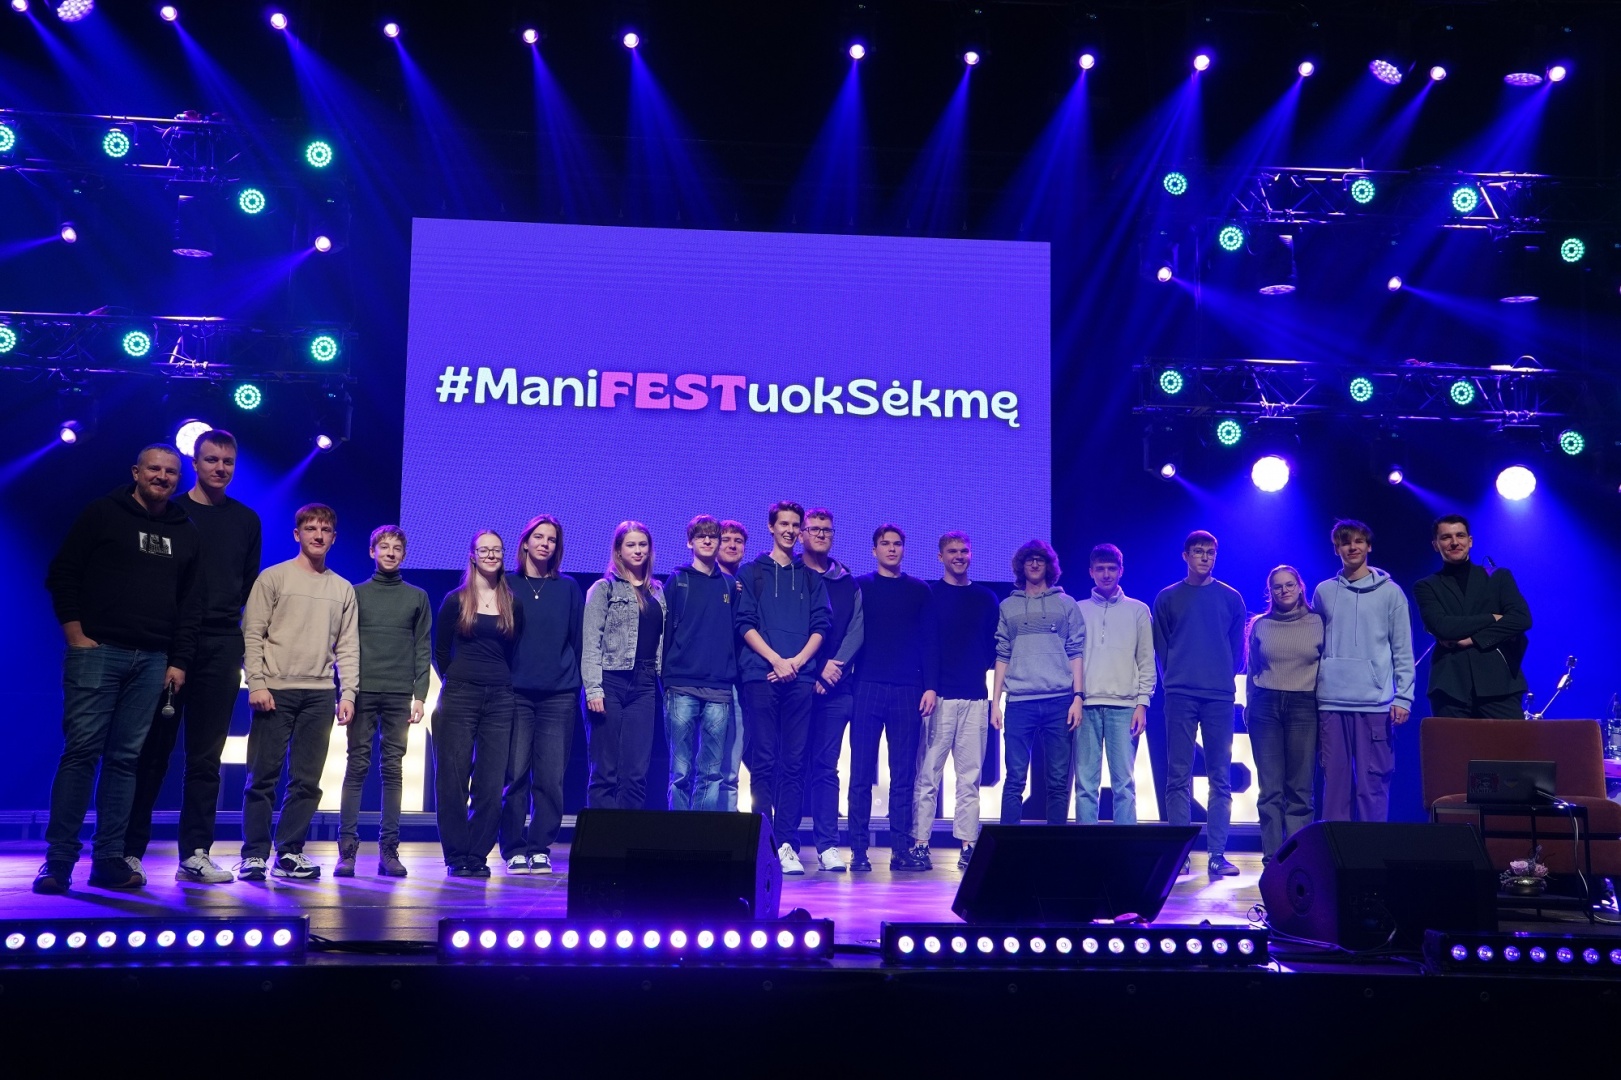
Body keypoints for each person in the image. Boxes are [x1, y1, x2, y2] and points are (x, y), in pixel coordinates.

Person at [36, 443, 202, 893]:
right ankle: (58, 861)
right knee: (81, 753)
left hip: (153, 660)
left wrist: (178, 660)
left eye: (171, 472)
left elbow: (191, 603)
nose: (162, 477)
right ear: (136, 471)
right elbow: (62, 573)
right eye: (154, 469)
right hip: (98, 651)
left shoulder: (185, 530)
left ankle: (108, 858)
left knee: (126, 760)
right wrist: (76, 635)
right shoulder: (102, 513)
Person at [126, 430, 260, 886]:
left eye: (227, 461)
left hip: (222, 645)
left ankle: (195, 853)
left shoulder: (246, 520)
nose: (220, 468)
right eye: (211, 459)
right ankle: (129, 851)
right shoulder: (173, 513)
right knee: (152, 752)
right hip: (168, 644)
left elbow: (248, 588)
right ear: (195, 463)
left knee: (206, 758)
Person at [239, 503, 359, 881]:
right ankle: (254, 855)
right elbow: (252, 633)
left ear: (334, 538)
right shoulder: (273, 578)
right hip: (276, 690)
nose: (318, 535)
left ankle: (289, 852)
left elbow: (348, 646)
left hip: (319, 694)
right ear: (297, 534)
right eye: (310, 528)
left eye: (325, 530)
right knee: (263, 777)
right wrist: (257, 682)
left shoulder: (342, 588)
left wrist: (348, 693)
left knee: (307, 781)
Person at [736, 501, 830, 875]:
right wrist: (776, 660)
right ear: (771, 527)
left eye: (795, 525)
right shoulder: (752, 572)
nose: (790, 531)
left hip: (800, 678)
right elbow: (745, 623)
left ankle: (787, 843)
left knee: (794, 762)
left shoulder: (811, 578)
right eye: (784, 524)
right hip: (761, 676)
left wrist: (796, 663)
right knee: (763, 760)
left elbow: (821, 625)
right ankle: (764, 843)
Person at [337, 525, 432, 878]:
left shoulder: (417, 597)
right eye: (384, 547)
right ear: (372, 551)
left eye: (397, 548)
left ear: (404, 555)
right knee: (356, 766)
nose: (390, 552)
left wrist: (420, 695)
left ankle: (388, 849)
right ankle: (347, 850)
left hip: (398, 693)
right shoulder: (355, 593)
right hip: (362, 691)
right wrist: (346, 691)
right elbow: (344, 644)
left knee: (393, 769)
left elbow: (423, 647)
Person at [1152, 530, 1246, 879]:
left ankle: (1217, 854)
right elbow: (1161, 647)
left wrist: (1219, 678)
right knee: (1178, 775)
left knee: (1220, 776)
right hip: (1180, 694)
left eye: (1210, 552)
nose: (1205, 557)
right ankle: (1180, 855)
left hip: (1218, 696)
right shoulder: (1168, 597)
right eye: (1198, 551)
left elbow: (1237, 652)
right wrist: (1175, 679)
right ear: (1185, 556)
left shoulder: (1231, 598)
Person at [1313, 519, 1416, 823]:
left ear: (1369, 546)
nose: (1352, 547)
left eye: (1358, 541)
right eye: (1345, 542)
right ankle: (1335, 850)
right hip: (1332, 703)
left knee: (1373, 786)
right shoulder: (1323, 592)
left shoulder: (1391, 593)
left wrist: (1403, 697)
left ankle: (1372, 850)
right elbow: (1315, 644)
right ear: (1337, 549)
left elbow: (1402, 649)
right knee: (1335, 789)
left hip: (1375, 705)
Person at [849, 524, 939, 870]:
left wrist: (930, 685)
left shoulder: (919, 590)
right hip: (867, 685)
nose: (891, 548)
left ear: (904, 549)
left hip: (907, 689)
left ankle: (900, 850)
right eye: (885, 544)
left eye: (897, 544)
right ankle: (859, 851)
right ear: (874, 550)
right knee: (860, 772)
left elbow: (930, 640)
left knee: (903, 775)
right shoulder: (861, 586)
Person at [433, 530, 521, 876]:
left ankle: (477, 855)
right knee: (452, 778)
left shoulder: (512, 602)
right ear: (473, 556)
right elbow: (441, 650)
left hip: (500, 697)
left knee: (491, 781)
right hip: (460, 695)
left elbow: (513, 651)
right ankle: (457, 855)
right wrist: (457, 678)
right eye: (484, 550)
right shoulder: (456, 600)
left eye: (496, 550)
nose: (491, 555)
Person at [500, 514, 583, 874]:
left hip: (558, 695)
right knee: (515, 774)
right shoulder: (506, 584)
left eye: (551, 539)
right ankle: (513, 847)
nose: (545, 544)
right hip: (516, 693)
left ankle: (539, 847)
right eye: (539, 537)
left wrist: (573, 682)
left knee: (550, 778)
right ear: (525, 542)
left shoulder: (568, 588)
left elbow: (577, 640)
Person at [916, 531, 998, 870]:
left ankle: (967, 844)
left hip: (975, 697)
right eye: (952, 551)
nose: (959, 556)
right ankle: (920, 844)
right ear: (940, 557)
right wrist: (930, 687)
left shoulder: (986, 598)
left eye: (964, 550)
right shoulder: (929, 595)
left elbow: (993, 648)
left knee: (970, 777)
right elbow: (925, 645)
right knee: (927, 775)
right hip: (939, 698)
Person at [991, 540, 1084, 830]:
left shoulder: (1066, 604)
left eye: (1039, 559)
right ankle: (1007, 847)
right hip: (1020, 703)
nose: (1034, 564)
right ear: (1021, 566)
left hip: (1059, 702)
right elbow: (1002, 655)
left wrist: (1078, 697)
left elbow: (1076, 651)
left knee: (1058, 781)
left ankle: (1055, 846)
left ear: (1048, 565)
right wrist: (995, 703)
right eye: (1029, 559)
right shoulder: (1008, 606)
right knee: (1014, 779)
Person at [1412, 514, 1533, 720]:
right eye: (1446, 537)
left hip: (1499, 682)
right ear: (1436, 545)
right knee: (1453, 743)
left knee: (1512, 742)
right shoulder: (1426, 586)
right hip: (1450, 685)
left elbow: (1521, 619)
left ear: (1470, 541)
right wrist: (1492, 618)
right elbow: (1441, 626)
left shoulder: (1498, 577)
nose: (1454, 542)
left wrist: (1474, 640)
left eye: (1460, 535)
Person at [581, 521, 666, 810]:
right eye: (631, 545)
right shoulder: (603, 588)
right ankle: (601, 835)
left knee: (636, 774)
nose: (638, 550)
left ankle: (627, 835)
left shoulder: (657, 591)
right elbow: (590, 641)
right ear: (618, 550)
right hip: (610, 682)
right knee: (604, 771)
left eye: (643, 544)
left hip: (644, 685)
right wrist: (594, 689)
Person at [1074, 543, 1155, 826]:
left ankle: (1125, 847)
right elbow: (1071, 658)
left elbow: (1146, 660)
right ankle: (1085, 846)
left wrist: (1142, 703)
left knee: (1124, 784)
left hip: (1125, 707)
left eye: (1111, 568)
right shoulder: (1077, 609)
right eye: (1100, 569)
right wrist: (1075, 698)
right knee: (1085, 785)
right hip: (1086, 706)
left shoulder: (1138, 610)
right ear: (1091, 572)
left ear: (1121, 571)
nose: (1106, 574)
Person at [801, 508, 863, 871]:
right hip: (795, 685)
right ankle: (783, 842)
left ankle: (827, 845)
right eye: (815, 529)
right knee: (788, 766)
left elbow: (857, 629)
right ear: (802, 534)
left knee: (826, 767)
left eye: (827, 530)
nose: (821, 535)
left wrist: (832, 669)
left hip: (836, 690)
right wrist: (812, 669)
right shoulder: (788, 575)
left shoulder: (846, 581)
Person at [1246, 565, 1323, 861]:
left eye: (1289, 584)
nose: (1284, 590)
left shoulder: (1318, 622)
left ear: (1300, 586)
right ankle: (1272, 861)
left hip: (1304, 704)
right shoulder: (1261, 625)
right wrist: (1251, 706)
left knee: (1300, 789)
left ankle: (1297, 860)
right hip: (1265, 706)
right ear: (1270, 592)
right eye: (1277, 587)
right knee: (1270, 790)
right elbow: (1253, 670)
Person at [662, 515, 739, 812]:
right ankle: (679, 832)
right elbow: (665, 632)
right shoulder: (678, 581)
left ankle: (703, 833)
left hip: (718, 688)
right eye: (701, 536)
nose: (707, 540)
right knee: (680, 772)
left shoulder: (730, 585)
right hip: (681, 685)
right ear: (690, 542)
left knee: (711, 772)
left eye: (713, 536)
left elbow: (735, 633)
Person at [716, 519, 749, 812]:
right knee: (703, 765)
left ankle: (726, 822)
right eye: (725, 539)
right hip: (708, 682)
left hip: (739, 682)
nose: (732, 545)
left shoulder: (747, 584)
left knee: (731, 765)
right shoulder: (703, 582)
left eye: (738, 541)